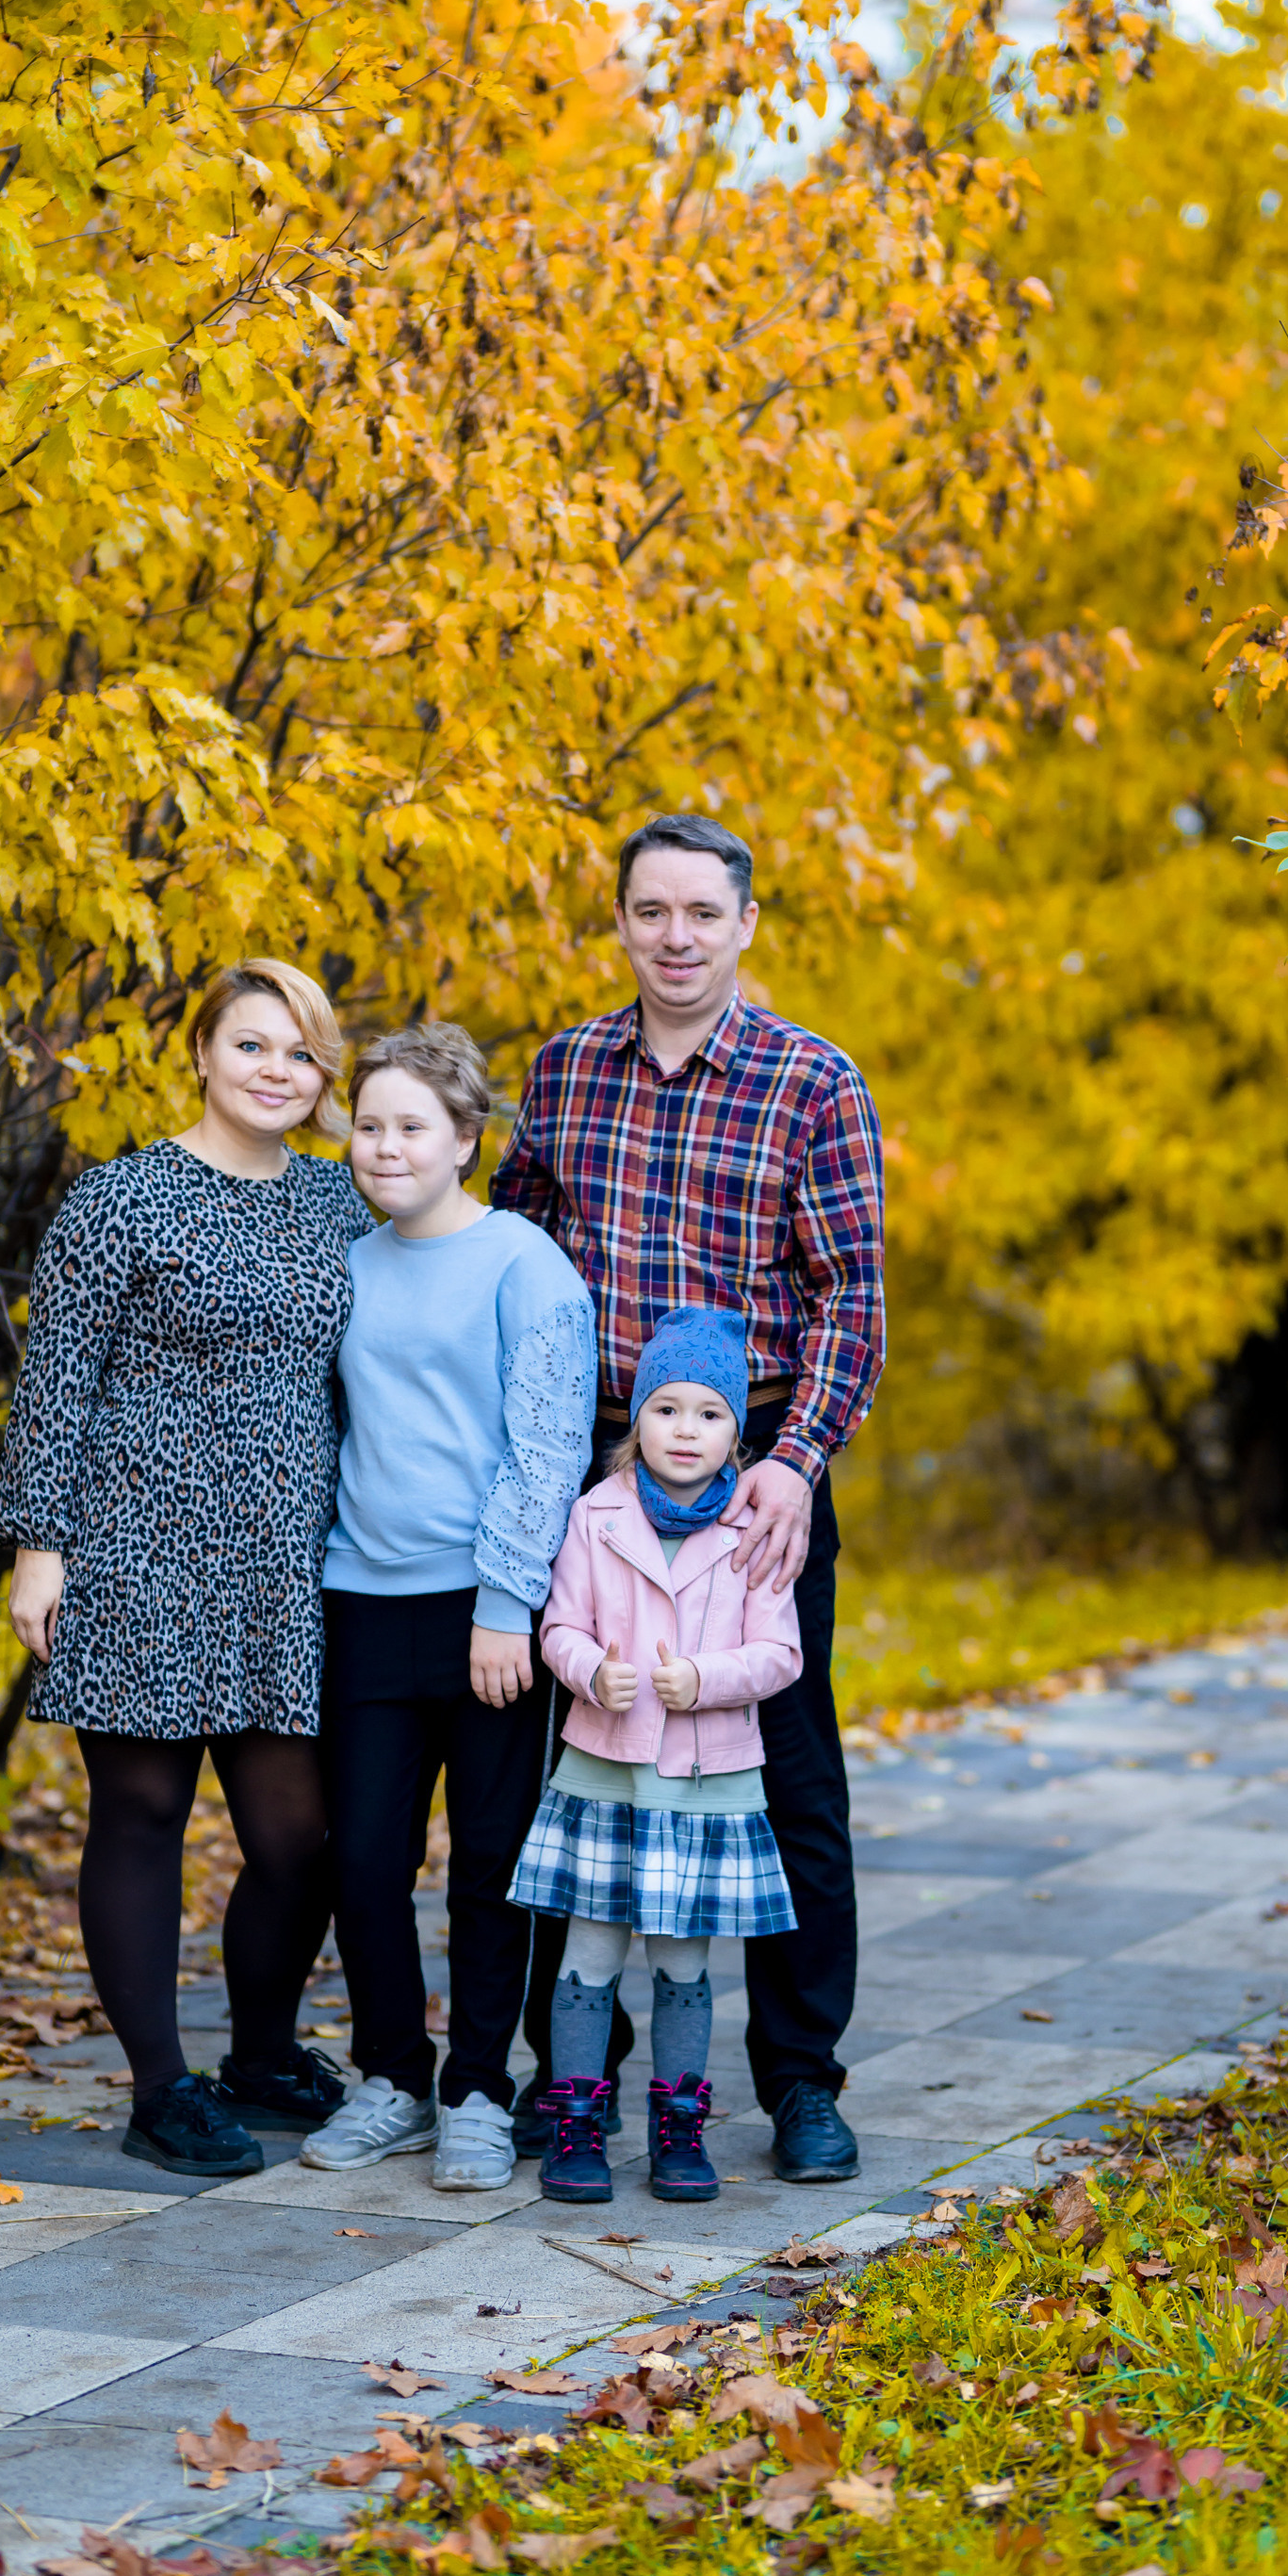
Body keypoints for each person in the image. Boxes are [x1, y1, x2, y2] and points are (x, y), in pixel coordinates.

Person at [491, 812, 886, 2182]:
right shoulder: (566, 1071)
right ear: (621, 920)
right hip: (594, 1459)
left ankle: (799, 2081)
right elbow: (517, 1239)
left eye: (701, 915)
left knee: (781, 1771)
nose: (675, 938)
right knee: (580, 1755)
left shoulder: (811, 1082)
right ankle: (570, 2081)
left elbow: (852, 1297)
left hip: (759, 1462)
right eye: (651, 912)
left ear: (744, 926)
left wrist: (796, 1459)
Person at [0, 959, 369, 2180]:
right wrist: (37, 1551)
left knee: (299, 1835)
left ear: (322, 1079)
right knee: (143, 1813)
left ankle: (263, 2051)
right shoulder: (121, 1202)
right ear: (202, 1052)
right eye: (252, 1045)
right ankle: (162, 2087)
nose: (276, 1071)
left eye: (300, 1054)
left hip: (287, 1558)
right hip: (136, 1540)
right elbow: (56, 1386)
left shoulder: (341, 1205)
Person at [301, 1022, 595, 2192]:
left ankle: (479, 2086)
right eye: (367, 1125)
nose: (383, 1145)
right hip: (359, 1600)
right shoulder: (347, 1260)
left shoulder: (524, 1263)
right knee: (365, 1858)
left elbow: (548, 1445)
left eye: (410, 1126)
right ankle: (392, 2077)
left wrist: (504, 1602)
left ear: (464, 1139)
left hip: (483, 1613)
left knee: (488, 1861)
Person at [511, 1306, 801, 2205]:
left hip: (707, 1780)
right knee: (588, 1959)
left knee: (683, 1963)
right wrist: (594, 1671)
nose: (687, 1430)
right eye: (667, 1409)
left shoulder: (751, 1531)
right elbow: (558, 1627)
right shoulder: (595, 1517)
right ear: (635, 1419)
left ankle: (681, 2127)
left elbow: (781, 1654)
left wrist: (704, 1679)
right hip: (605, 1768)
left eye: (710, 1414)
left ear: (737, 1431)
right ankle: (576, 2121)